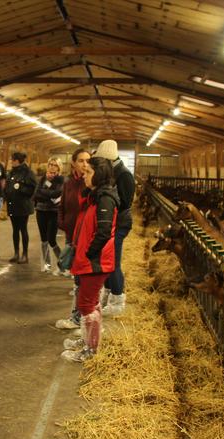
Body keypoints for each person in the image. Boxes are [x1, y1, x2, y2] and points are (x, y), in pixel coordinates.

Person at [61, 157, 119, 363]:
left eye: (88, 172)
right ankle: (88, 340)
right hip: (92, 260)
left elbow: (103, 232)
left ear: (98, 174)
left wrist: (89, 254)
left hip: (95, 262)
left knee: (86, 304)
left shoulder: (104, 199)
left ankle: (90, 349)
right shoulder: (96, 196)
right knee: (91, 303)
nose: (84, 176)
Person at [93, 140, 135, 317]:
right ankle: (110, 294)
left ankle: (118, 299)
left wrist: (110, 199)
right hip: (114, 222)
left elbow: (126, 202)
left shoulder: (124, 175)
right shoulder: (114, 171)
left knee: (114, 262)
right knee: (108, 260)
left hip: (121, 222)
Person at [55, 148, 90, 330]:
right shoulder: (69, 183)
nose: (85, 164)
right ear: (74, 163)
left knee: (83, 278)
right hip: (71, 234)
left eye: (87, 161)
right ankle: (79, 318)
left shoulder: (91, 184)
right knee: (76, 276)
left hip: (84, 237)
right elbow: (62, 205)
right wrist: (62, 222)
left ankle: (79, 319)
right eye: (81, 161)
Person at [4, 151, 37, 263]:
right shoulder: (11, 172)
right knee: (15, 230)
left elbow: (32, 189)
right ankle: (16, 253)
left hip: (23, 206)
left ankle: (25, 254)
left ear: (16, 161)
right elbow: (8, 186)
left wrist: (20, 189)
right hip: (12, 205)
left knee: (23, 229)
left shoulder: (28, 172)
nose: (10, 162)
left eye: (11, 160)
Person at [34, 157, 64, 273]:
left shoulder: (61, 180)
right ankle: (46, 264)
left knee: (52, 239)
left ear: (59, 167)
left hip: (53, 212)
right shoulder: (43, 179)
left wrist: (44, 192)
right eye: (50, 164)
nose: (52, 166)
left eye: (55, 165)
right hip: (41, 211)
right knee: (43, 239)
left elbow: (57, 194)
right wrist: (47, 193)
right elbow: (36, 194)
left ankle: (63, 264)